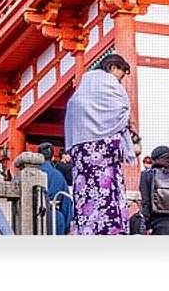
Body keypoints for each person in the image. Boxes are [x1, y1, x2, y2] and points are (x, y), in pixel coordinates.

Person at [63, 53, 139, 234]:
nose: (119, 82)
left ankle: (87, 228)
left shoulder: (83, 87)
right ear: (112, 67)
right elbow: (121, 109)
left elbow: (74, 111)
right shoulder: (108, 82)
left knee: (85, 189)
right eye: (120, 76)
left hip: (80, 147)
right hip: (103, 147)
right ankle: (110, 228)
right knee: (107, 189)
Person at [37, 142, 74, 235]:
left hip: (35, 216)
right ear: (53, 157)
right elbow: (67, 203)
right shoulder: (59, 176)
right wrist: (67, 226)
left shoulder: (32, 174)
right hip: (56, 217)